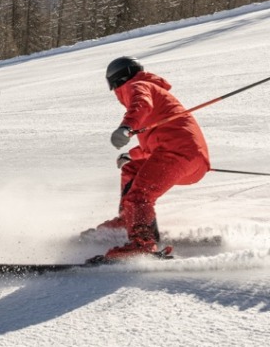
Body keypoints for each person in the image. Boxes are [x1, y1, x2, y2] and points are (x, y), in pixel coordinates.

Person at [90, 56, 210, 260]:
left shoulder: (137, 85)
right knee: (131, 168)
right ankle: (128, 220)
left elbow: (141, 105)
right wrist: (132, 155)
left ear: (117, 79)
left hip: (178, 154)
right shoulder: (152, 89)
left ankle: (142, 244)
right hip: (189, 160)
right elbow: (155, 143)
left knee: (140, 196)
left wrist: (126, 127)